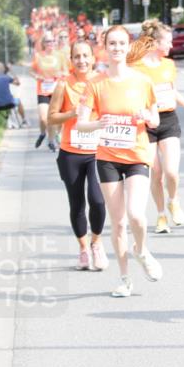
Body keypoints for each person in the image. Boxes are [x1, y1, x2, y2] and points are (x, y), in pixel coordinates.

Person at [75, 25, 161, 298]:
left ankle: (142, 250)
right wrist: (99, 122)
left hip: (136, 154)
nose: (116, 48)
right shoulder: (95, 83)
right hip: (108, 158)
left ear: (128, 46)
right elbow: (81, 124)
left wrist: (146, 117)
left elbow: (156, 119)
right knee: (119, 222)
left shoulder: (142, 81)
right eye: (111, 43)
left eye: (121, 43)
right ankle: (124, 279)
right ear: (104, 47)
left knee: (137, 215)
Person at [127, 20, 184, 234]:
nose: (171, 46)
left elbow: (171, 90)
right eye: (167, 41)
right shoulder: (136, 66)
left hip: (168, 119)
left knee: (171, 171)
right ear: (154, 43)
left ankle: (173, 201)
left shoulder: (169, 65)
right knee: (156, 173)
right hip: (146, 122)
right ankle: (160, 215)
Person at [47, 41, 108, 271]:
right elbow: (52, 117)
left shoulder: (103, 82)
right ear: (71, 60)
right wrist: (73, 113)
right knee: (77, 204)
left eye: (85, 56)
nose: (82, 60)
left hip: (96, 150)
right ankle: (83, 249)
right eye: (77, 57)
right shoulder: (64, 85)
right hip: (70, 152)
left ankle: (97, 243)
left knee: (98, 200)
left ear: (93, 58)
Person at [31, 32, 67, 151]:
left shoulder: (60, 55)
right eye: (48, 41)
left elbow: (66, 72)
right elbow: (31, 71)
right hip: (43, 90)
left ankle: (51, 141)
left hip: (56, 90)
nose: (51, 43)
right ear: (43, 43)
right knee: (43, 118)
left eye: (53, 41)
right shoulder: (38, 56)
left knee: (53, 117)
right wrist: (37, 77)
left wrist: (60, 74)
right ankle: (42, 133)